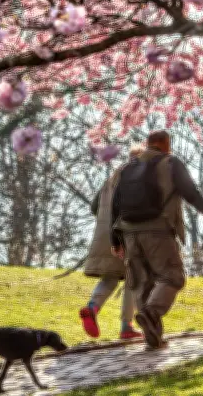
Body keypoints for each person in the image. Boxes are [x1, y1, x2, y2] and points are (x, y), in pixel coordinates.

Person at [111, 130, 203, 350]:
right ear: (166, 144)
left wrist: (115, 240)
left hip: (129, 233)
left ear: (147, 144)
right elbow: (190, 192)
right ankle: (151, 313)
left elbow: (115, 205)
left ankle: (153, 337)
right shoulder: (170, 163)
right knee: (173, 276)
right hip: (158, 231)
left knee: (142, 283)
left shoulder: (126, 168)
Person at [79, 145, 145, 340]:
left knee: (110, 277)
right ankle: (127, 325)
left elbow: (94, 206)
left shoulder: (111, 179)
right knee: (134, 279)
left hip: (105, 238)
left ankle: (92, 308)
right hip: (126, 236)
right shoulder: (137, 181)